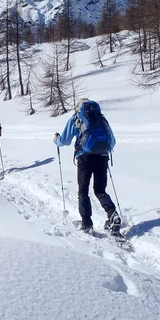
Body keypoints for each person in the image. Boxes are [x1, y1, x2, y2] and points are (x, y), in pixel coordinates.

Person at [53, 98, 120, 235]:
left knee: (83, 191)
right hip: (102, 156)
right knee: (100, 190)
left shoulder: (76, 119)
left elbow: (65, 140)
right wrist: (103, 152)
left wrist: (56, 140)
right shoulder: (101, 119)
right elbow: (112, 140)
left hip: (85, 158)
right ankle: (113, 215)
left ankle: (86, 223)